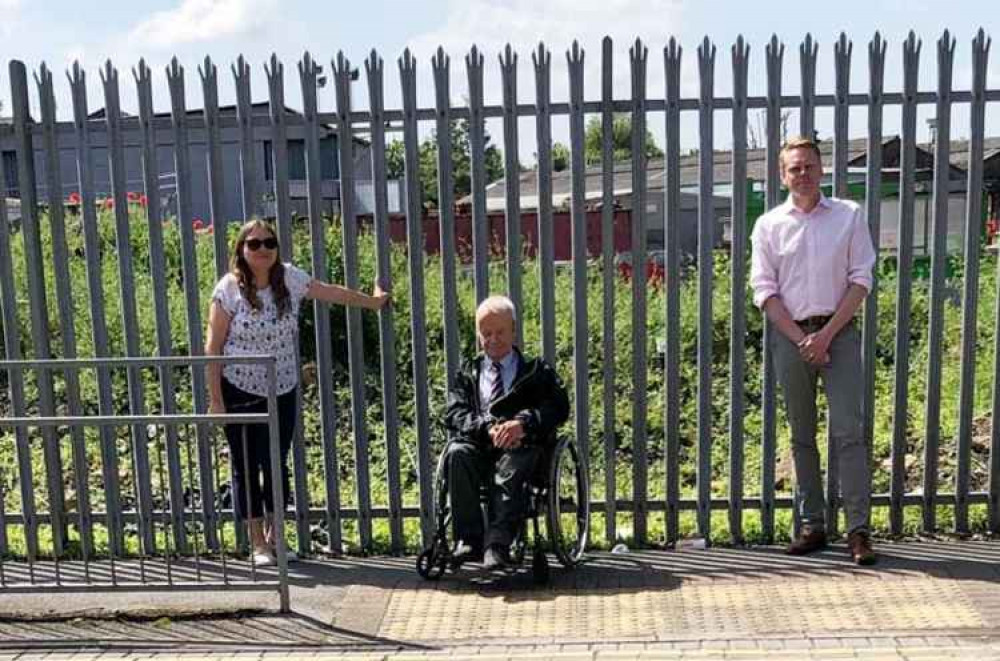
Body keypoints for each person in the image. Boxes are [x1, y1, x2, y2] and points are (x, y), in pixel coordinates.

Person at [205, 218, 389, 566]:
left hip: (283, 386)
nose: (262, 249)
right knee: (245, 465)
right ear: (242, 250)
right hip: (239, 387)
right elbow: (213, 347)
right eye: (254, 243)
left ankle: (277, 538)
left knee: (276, 462)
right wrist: (216, 399)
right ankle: (257, 543)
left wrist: (372, 302)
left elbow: (330, 291)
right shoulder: (228, 289)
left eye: (269, 243)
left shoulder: (288, 278)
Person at [750, 136, 877, 565]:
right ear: (782, 175)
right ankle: (813, 525)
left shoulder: (849, 216)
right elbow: (764, 291)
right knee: (801, 434)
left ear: (822, 170)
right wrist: (801, 338)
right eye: (794, 168)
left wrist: (824, 337)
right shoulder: (769, 225)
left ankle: (858, 530)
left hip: (838, 334)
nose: (802, 174)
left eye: (808, 166)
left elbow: (862, 280)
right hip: (790, 337)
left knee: (848, 431)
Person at [443, 295, 570, 571]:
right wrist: (486, 428)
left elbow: (558, 408)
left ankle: (498, 544)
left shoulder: (537, 371)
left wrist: (523, 423)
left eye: (500, 332)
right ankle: (468, 540)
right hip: (481, 446)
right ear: (479, 336)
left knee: (513, 463)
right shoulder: (468, 372)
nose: (493, 339)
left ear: (513, 329)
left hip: (522, 447)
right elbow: (455, 412)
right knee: (456, 453)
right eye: (486, 333)